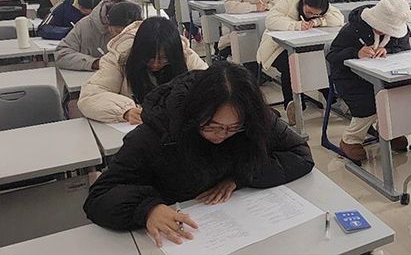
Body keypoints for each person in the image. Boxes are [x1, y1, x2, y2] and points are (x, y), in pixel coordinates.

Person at [83, 61, 314, 245]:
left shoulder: (255, 120)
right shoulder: (156, 133)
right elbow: (99, 197)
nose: (222, 134)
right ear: (194, 114)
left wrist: (241, 177)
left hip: (234, 228)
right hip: (176, 236)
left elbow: (300, 154)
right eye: (212, 126)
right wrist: (147, 209)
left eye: (234, 127)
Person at [326, 0, 411, 161]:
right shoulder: (353, 28)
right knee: (368, 103)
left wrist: (388, 50)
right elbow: (332, 55)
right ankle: (350, 139)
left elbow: (404, 49)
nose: (385, 33)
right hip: (350, 77)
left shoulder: (401, 28)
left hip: (386, 75)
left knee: (399, 96)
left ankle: (389, 130)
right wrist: (356, 53)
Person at [78, 17, 208, 124]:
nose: (156, 64)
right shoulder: (119, 57)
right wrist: (125, 111)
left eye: (164, 59)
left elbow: (210, 85)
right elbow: (90, 96)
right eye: (149, 59)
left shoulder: (186, 56)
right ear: (139, 52)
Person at [256, 0, 344, 124]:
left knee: (319, 63)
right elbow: (271, 20)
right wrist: (296, 25)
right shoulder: (289, 1)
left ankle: (331, 97)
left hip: (307, 47)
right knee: (291, 65)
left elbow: (338, 18)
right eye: (309, 12)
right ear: (303, 2)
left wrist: (318, 21)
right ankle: (294, 105)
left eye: (316, 14)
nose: (311, 16)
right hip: (277, 48)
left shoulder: (322, 4)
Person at [55, 0, 142, 71]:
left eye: (129, 33)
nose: (122, 37)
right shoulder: (85, 26)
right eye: (117, 31)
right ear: (108, 26)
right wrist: (95, 63)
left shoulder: (142, 28)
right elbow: (61, 54)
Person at [38, 0, 113, 41]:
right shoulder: (64, 6)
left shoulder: (113, 8)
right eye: (85, 14)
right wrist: (74, 31)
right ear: (79, 6)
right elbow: (43, 28)